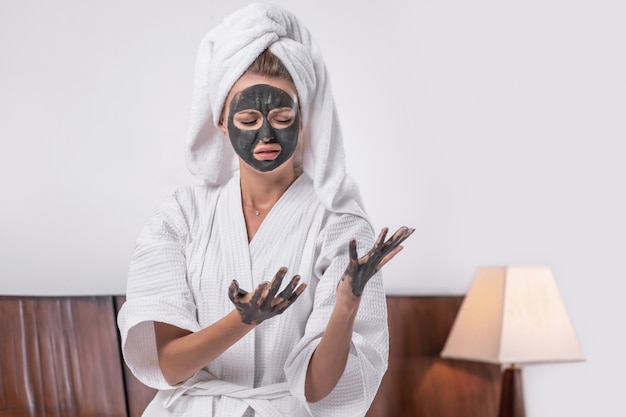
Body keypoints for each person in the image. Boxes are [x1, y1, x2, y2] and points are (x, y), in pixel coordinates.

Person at [117, 3, 414, 417]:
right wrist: (242, 321)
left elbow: (318, 389)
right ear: (222, 120)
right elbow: (167, 364)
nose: (267, 134)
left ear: (304, 117)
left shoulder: (339, 225)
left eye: (282, 115)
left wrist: (348, 301)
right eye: (249, 118)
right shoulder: (181, 216)